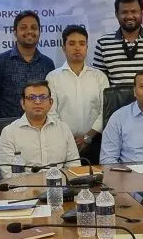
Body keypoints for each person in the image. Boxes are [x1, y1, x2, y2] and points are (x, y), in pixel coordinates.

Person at [47, 25, 110, 163]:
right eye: (72, 43)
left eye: (82, 44)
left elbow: (105, 110)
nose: (77, 48)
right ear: (63, 48)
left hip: (95, 142)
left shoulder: (99, 77)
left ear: (87, 47)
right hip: (62, 142)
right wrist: (68, 138)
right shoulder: (53, 77)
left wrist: (88, 136)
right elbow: (51, 112)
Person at [0, 80, 80, 178]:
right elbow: (8, 175)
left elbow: (74, 166)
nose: (37, 102)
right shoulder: (9, 133)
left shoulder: (63, 129)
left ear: (51, 103)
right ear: (23, 103)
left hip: (60, 185)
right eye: (31, 97)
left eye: (43, 97)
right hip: (22, 186)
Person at [0, 10, 56, 119]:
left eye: (34, 28)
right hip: (7, 126)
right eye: (23, 28)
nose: (29, 31)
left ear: (39, 32)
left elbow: (50, 99)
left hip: (40, 126)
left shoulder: (47, 64)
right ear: (15, 32)